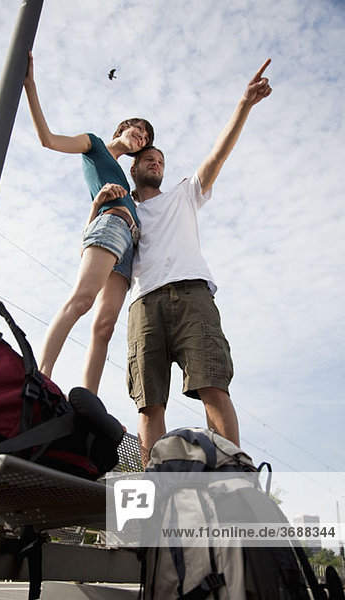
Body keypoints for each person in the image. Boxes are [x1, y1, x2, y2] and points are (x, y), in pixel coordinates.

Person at [126, 60, 272, 465]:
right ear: (134, 167)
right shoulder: (124, 207)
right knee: (149, 402)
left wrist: (244, 104)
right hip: (144, 305)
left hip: (192, 295)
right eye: (148, 159)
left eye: (160, 159)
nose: (156, 163)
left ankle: (233, 476)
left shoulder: (185, 192)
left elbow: (218, 153)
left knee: (212, 385)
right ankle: (157, 485)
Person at [23, 52, 154, 394]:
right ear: (122, 128)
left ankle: (88, 401)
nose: (140, 135)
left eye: (145, 137)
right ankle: (41, 376)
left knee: (105, 326)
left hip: (129, 244)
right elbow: (47, 139)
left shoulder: (126, 179)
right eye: (137, 128)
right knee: (81, 300)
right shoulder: (94, 145)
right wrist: (30, 86)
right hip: (110, 227)